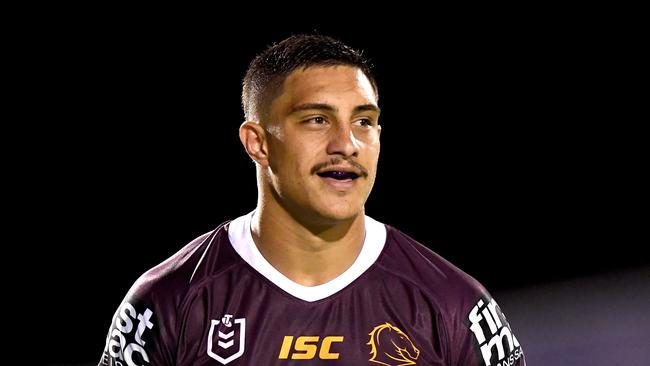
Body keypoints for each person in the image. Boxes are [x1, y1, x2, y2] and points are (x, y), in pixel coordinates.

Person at [99, 34, 526, 366]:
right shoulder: (168, 301)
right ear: (258, 142)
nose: (348, 144)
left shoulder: (455, 305)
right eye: (317, 120)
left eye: (364, 121)